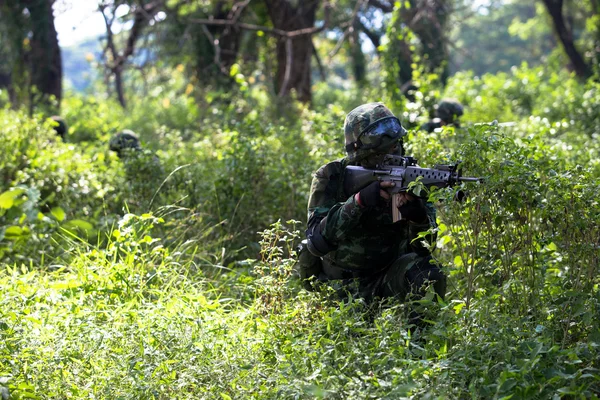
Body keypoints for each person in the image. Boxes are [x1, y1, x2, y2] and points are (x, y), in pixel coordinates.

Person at [299, 103, 446, 318]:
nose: (391, 155)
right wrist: (359, 201)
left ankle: (418, 347)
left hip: (388, 277)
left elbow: (425, 247)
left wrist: (419, 217)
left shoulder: (411, 176)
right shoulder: (332, 176)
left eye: (394, 148)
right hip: (342, 287)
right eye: (380, 153)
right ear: (360, 154)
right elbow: (316, 241)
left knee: (428, 270)